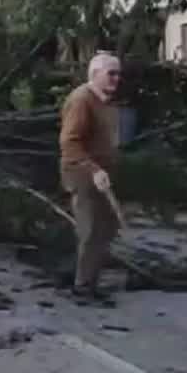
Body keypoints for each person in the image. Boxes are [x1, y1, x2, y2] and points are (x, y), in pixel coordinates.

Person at [59, 52, 122, 304]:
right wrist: (93, 169)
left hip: (101, 174)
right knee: (91, 229)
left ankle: (91, 282)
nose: (116, 79)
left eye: (118, 74)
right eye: (111, 73)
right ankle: (82, 288)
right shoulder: (81, 100)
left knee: (106, 228)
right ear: (95, 74)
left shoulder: (105, 101)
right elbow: (69, 142)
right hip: (82, 173)